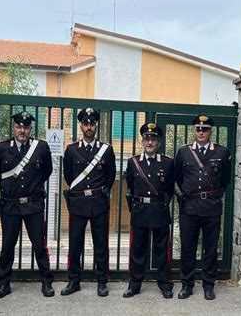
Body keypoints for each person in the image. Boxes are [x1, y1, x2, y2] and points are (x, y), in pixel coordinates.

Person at [0, 111, 54, 299]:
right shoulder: (1, 148)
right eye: (19, 127)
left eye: (25, 127)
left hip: (33, 204)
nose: (22, 131)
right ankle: (3, 284)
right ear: (14, 128)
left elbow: (46, 171)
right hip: (10, 205)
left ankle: (46, 282)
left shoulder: (41, 147)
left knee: (39, 245)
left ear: (30, 129)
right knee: (8, 246)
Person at [175, 114, 231, 300]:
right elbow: (178, 177)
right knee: (188, 248)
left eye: (204, 129)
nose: (201, 132)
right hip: (189, 207)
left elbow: (225, 179)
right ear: (194, 131)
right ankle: (187, 284)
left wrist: (213, 194)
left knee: (210, 248)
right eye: (198, 129)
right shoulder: (184, 152)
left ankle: (209, 284)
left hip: (212, 207)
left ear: (210, 131)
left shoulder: (222, 152)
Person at [61, 108, 116, 297]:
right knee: (75, 244)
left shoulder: (106, 150)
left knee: (101, 244)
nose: (89, 127)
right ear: (81, 126)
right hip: (78, 203)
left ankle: (102, 281)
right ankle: (74, 281)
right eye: (86, 124)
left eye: (92, 124)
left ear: (96, 125)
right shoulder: (71, 150)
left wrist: (98, 191)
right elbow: (68, 176)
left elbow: (110, 177)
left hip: (99, 202)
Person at [123, 122, 175, 299]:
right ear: (142, 141)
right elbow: (130, 185)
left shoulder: (168, 163)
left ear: (158, 142)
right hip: (140, 210)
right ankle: (134, 285)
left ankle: (165, 284)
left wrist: (162, 203)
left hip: (159, 210)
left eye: (153, 139)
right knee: (137, 250)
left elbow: (169, 188)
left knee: (162, 251)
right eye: (147, 139)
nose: (150, 142)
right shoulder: (133, 162)